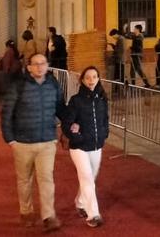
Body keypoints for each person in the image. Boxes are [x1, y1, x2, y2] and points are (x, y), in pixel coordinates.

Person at [1, 53, 67, 231]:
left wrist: (69, 127)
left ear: (47, 66)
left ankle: (49, 216)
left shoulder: (53, 85)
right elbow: (7, 112)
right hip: (22, 142)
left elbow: (61, 108)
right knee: (25, 181)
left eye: (43, 63)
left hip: (47, 140)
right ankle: (26, 212)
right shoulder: (19, 85)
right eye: (35, 64)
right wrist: (10, 139)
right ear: (28, 67)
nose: (39, 67)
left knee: (47, 179)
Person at [63, 66, 109, 228]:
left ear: (98, 79)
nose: (91, 80)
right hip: (79, 147)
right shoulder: (76, 100)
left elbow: (105, 119)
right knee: (87, 178)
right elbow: (67, 124)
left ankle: (80, 202)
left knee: (91, 177)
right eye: (88, 77)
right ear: (82, 80)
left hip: (96, 145)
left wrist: (104, 134)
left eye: (94, 77)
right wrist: (77, 137)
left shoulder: (102, 99)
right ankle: (93, 215)